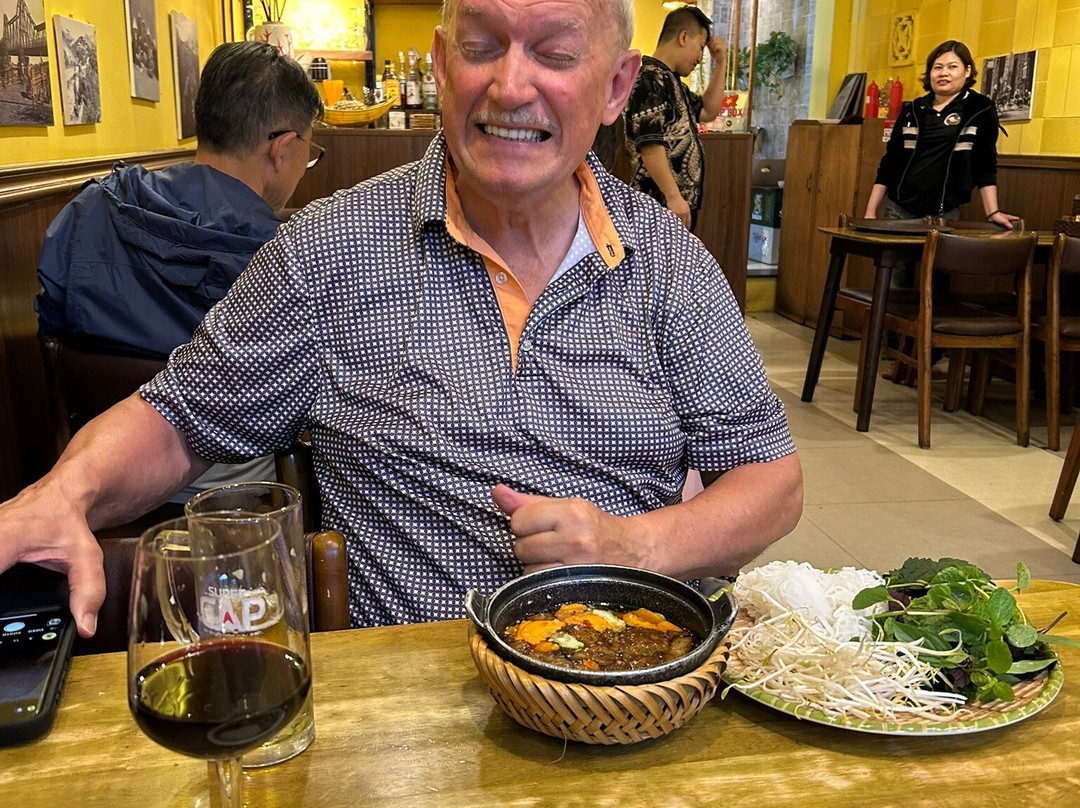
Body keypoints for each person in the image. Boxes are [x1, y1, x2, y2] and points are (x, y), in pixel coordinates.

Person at [0, 0, 802, 637]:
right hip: (409, 725)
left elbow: (771, 478)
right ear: (443, 65)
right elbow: (180, 417)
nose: (510, 87)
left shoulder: (670, 263)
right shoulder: (326, 251)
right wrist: (63, 493)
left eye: (555, 54)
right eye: (482, 46)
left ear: (618, 87)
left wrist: (638, 545)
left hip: (632, 688)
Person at [35, 40, 323, 360]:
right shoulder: (288, 260)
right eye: (309, 149)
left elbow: (54, 331)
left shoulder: (92, 207)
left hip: (94, 395)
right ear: (281, 149)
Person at [864, 40, 1018, 229]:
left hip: (944, 214)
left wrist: (992, 212)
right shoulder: (913, 110)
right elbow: (890, 163)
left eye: (952, 67)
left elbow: (985, 165)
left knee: (936, 250)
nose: (943, 73)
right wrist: (870, 212)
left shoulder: (980, 109)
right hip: (896, 210)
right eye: (937, 67)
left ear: (967, 71)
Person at [623, 5, 727, 232]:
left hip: (674, 206)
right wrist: (673, 196)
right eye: (700, 47)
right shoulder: (649, 78)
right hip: (657, 205)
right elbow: (650, 144)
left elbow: (708, 111)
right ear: (683, 37)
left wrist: (720, 64)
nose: (700, 58)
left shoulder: (672, 82)